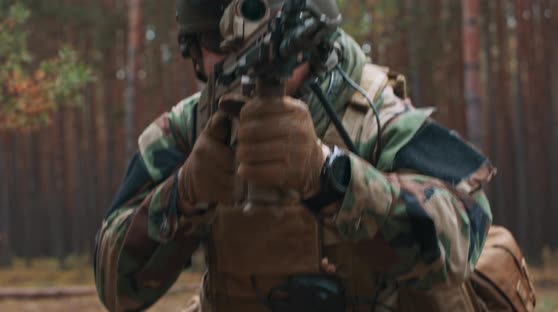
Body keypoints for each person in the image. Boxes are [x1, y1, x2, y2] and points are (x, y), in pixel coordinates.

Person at [94, 0, 496, 311]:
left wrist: (333, 176)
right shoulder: (188, 130)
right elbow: (114, 284)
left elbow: (460, 240)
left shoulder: (375, 114)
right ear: (195, 52)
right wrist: (182, 196)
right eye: (220, 42)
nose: (242, 57)